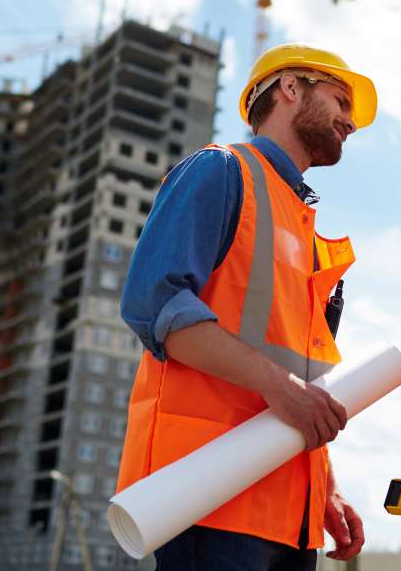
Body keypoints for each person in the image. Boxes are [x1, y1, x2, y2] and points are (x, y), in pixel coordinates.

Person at [115, 43, 377, 570]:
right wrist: (282, 389)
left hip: (291, 515)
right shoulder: (221, 171)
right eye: (339, 100)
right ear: (289, 88)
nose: (350, 121)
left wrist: (325, 486)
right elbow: (156, 305)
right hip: (210, 496)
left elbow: (306, 380)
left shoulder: (305, 230)